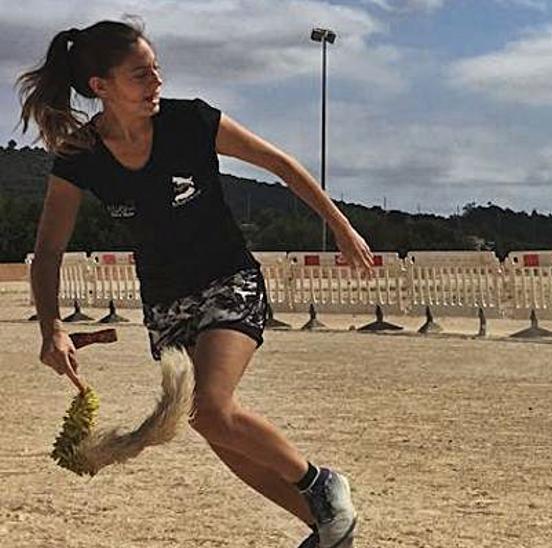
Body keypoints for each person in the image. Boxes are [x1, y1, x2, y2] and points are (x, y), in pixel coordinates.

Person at [19, 19, 369, 548]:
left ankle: (321, 483)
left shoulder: (191, 122)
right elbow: (47, 252)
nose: (156, 82)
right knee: (211, 424)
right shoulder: (81, 158)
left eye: (157, 70)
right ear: (101, 87)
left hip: (229, 279)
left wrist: (342, 228)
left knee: (210, 406)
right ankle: (326, 526)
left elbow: (281, 164)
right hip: (165, 303)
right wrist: (52, 330)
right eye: (141, 74)